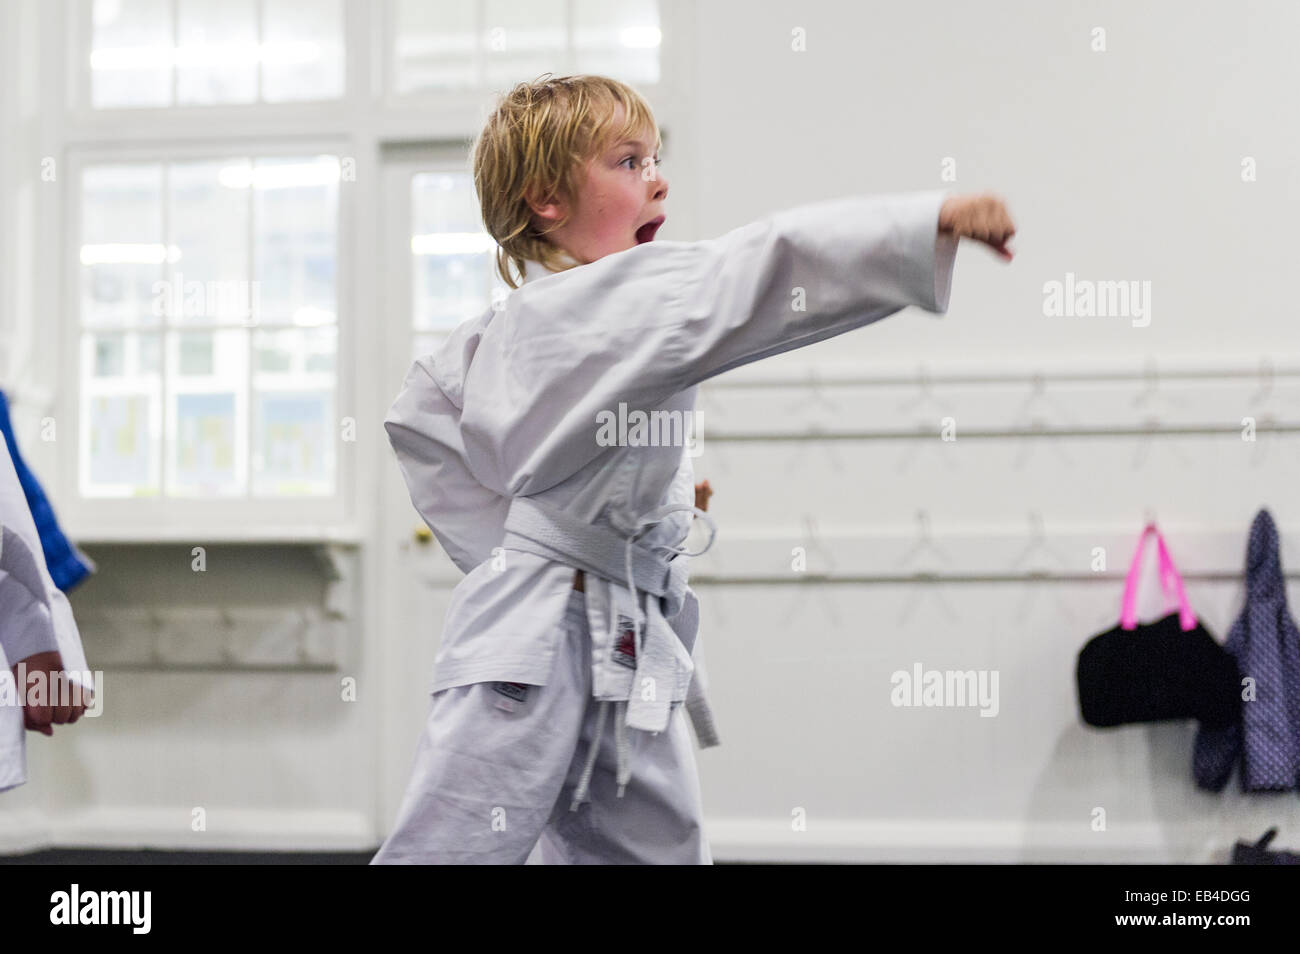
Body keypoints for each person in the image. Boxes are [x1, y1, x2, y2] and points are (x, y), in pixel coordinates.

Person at [373, 73, 1015, 864]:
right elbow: (753, 272)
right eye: (629, 161)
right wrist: (924, 226)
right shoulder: (615, 299)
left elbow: (423, 422)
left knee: (652, 847)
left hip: (608, 625)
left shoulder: (510, 327)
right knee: (453, 845)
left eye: (655, 158)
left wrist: (609, 521)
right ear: (546, 198)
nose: (659, 178)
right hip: (536, 642)